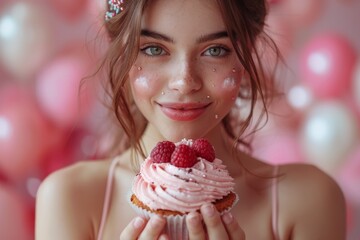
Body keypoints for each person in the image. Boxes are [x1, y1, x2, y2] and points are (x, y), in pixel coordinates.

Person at [35, 0, 346, 239]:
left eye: (215, 50)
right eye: (154, 48)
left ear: (246, 53)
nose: (184, 81)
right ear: (123, 55)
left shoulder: (307, 200)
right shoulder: (70, 199)